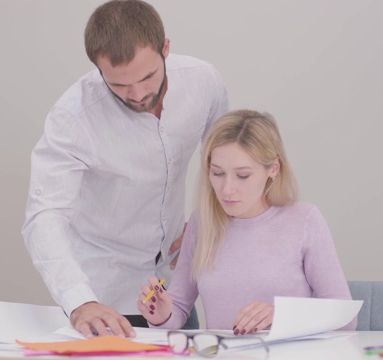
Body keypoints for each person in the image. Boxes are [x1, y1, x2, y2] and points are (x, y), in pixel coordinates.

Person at [21, 0, 229, 339]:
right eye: (119, 85)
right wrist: (79, 302)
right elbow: (44, 216)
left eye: (148, 76)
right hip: (103, 298)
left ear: (165, 48)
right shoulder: (74, 117)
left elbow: (227, 162)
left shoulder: (203, 83)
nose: (138, 94)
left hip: (174, 294)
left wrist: (207, 221)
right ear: (98, 69)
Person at [136, 110, 356, 333]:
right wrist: (162, 315)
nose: (227, 189)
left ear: (273, 169)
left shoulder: (304, 220)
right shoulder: (202, 223)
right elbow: (180, 307)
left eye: (243, 176)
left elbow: (345, 318)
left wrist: (283, 316)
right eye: (218, 173)